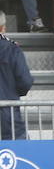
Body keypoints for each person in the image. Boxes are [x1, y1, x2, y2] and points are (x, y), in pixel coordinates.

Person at [0, 12, 32, 140]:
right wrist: (12, 93)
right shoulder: (12, 49)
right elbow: (25, 81)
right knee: (22, 156)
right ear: (3, 28)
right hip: (8, 116)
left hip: (8, 116)